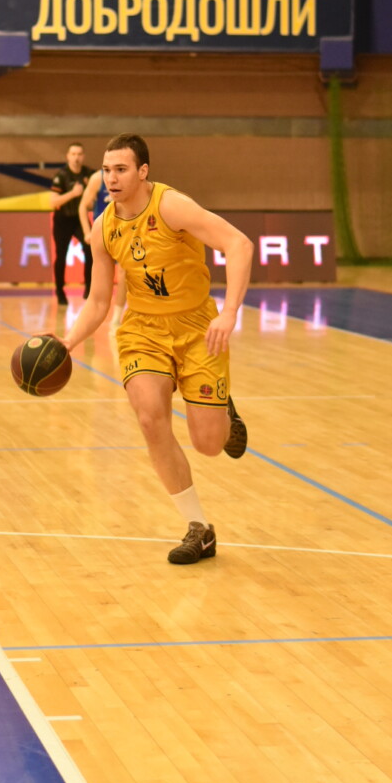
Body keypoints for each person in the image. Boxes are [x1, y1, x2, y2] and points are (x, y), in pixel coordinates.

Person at [63, 134, 253, 565]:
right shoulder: (103, 228)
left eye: (121, 169)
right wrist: (70, 340)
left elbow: (239, 245)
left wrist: (229, 313)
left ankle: (223, 415)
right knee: (150, 418)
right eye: (106, 170)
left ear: (143, 171)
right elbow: (98, 301)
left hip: (197, 327)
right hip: (143, 330)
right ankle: (198, 528)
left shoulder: (171, 206)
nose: (111, 178)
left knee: (208, 443)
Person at [78, 168, 127, 329]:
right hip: (104, 234)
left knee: (123, 273)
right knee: (101, 279)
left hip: (124, 232)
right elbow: (82, 206)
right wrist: (87, 232)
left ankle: (116, 318)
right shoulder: (96, 179)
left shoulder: (128, 177)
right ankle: (92, 316)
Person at [50, 142, 94, 305]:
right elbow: (53, 202)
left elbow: (93, 199)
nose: (76, 157)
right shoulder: (61, 176)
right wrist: (73, 194)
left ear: (83, 156)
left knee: (90, 250)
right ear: (68, 156)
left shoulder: (89, 174)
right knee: (61, 255)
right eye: (73, 154)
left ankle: (89, 288)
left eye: (79, 154)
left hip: (80, 219)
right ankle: (60, 291)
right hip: (63, 219)